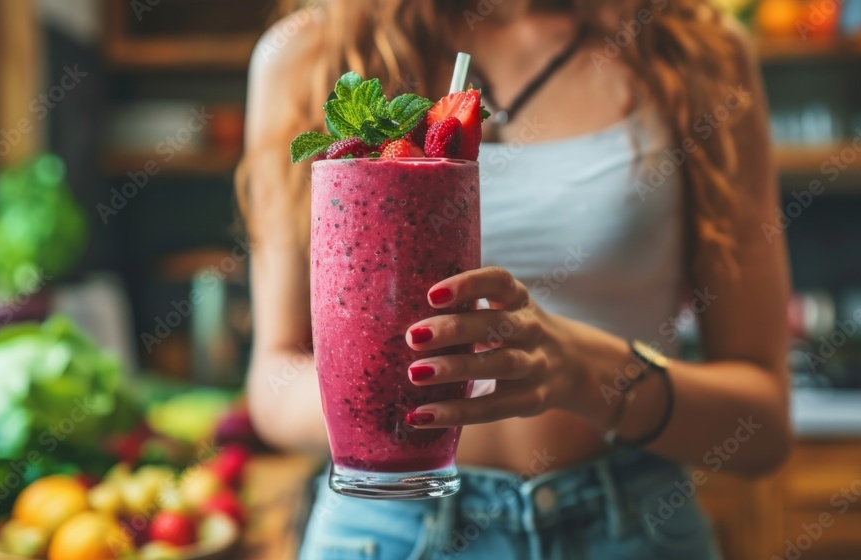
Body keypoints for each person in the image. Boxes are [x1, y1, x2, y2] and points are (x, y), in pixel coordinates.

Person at [237, 0, 791, 558]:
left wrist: (583, 373)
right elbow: (274, 380)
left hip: (629, 522)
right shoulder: (311, 53)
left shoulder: (693, 48)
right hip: (388, 524)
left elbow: (761, 427)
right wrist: (393, 403)